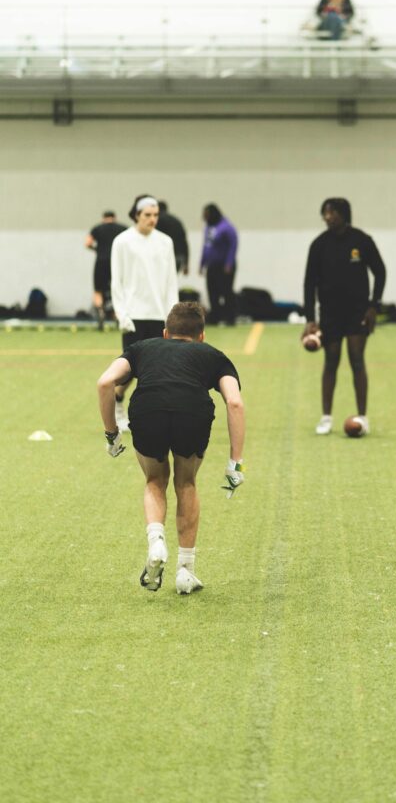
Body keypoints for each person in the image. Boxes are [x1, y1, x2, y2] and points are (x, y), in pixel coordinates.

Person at [97, 302, 245, 595]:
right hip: (193, 412)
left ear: (165, 333)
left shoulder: (142, 348)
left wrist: (112, 434)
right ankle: (185, 572)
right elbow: (235, 403)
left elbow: (105, 382)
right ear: (201, 336)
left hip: (147, 410)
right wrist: (235, 464)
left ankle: (156, 541)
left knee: (155, 480)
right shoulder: (214, 355)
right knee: (186, 483)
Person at [303, 197, 386, 436]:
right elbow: (309, 283)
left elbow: (380, 272)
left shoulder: (362, 241)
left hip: (358, 312)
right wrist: (310, 318)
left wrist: (374, 306)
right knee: (331, 361)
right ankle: (326, 417)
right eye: (325, 213)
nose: (327, 217)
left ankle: (362, 416)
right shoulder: (318, 245)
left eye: (332, 213)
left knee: (357, 359)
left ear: (344, 214)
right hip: (329, 313)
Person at [110, 195, 179, 431]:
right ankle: (117, 403)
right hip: (133, 315)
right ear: (136, 215)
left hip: (159, 314)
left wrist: (174, 314)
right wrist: (121, 313)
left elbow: (171, 281)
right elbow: (116, 280)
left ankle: (149, 415)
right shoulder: (122, 241)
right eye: (147, 215)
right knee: (130, 370)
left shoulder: (165, 242)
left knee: (158, 370)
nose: (152, 219)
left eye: (155, 215)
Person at [84, 210, 127, 328]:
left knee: (98, 290)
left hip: (101, 261)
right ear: (115, 218)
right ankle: (118, 314)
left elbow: (87, 243)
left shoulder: (97, 228)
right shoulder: (122, 228)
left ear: (103, 218)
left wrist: (96, 249)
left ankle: (100, 312)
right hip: (117, 262)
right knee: (119, 289)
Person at [200, 204, 239, 326]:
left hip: (224, 266)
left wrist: (229, 263)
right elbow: (206, 247)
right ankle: (215, 317)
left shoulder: (226, 227)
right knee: (212, 291)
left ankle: (230, 318)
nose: (204, 218)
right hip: (212, 265)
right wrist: (202, 263)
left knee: (226, 292)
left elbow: (233, 246)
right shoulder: (208, 228)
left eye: (206, 215)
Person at [156, 200, 190, 275]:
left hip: (165, 256)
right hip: (179, 256)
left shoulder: (157, 221)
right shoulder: (177, 221)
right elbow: (184, 242)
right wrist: (186, 264)